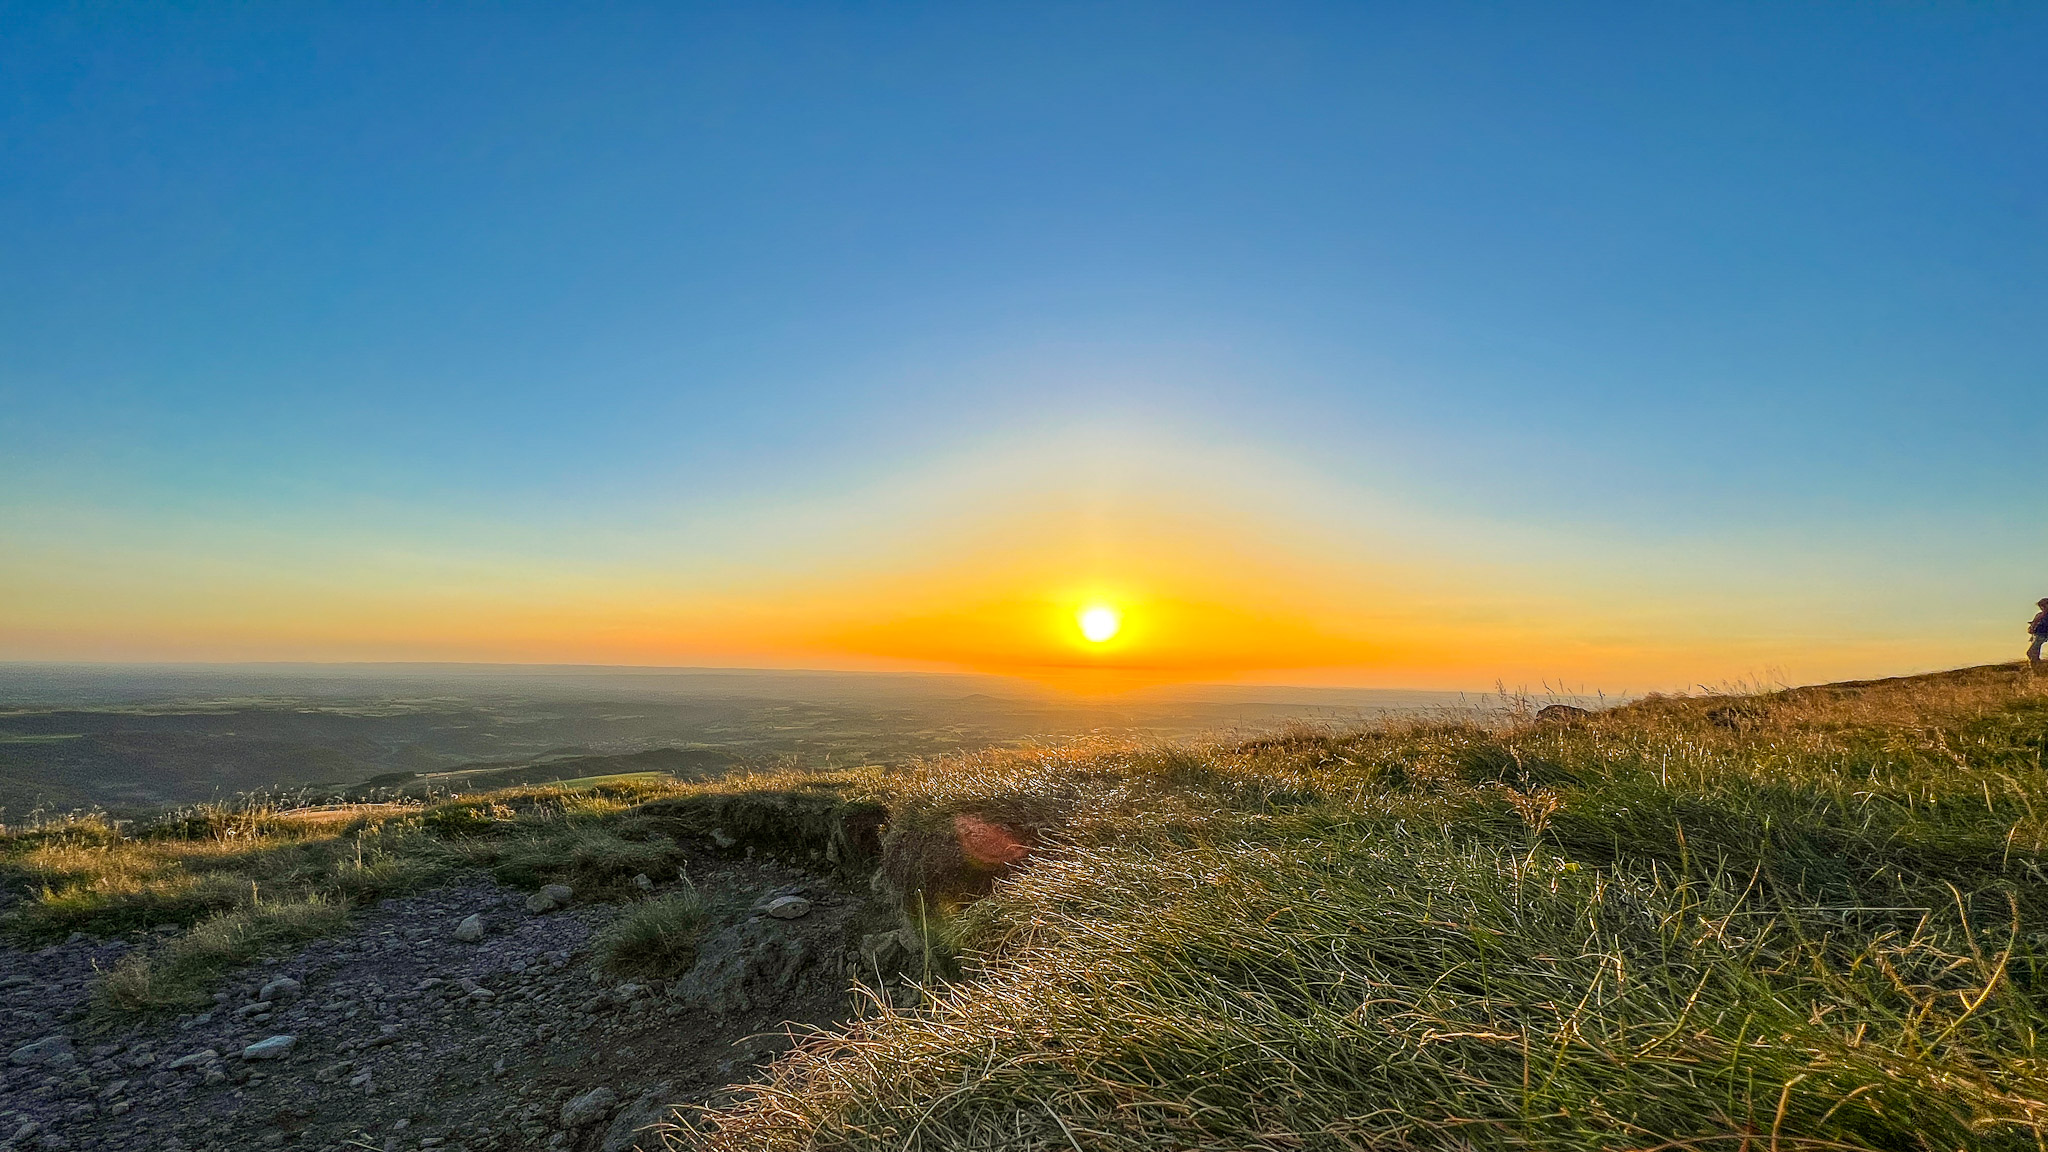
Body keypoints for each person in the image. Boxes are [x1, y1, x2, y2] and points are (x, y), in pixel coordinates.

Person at [2031, 598, 2048, 670]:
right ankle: (2037, 669)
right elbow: (2033, 625)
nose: (2042, 608)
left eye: (2044, 606)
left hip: (2043, 635)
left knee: (2031, 652)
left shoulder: (2043, 616)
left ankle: (2038, 669)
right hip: (2039, 634)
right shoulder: (2040, 615)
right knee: (2033, 653)